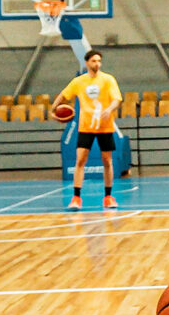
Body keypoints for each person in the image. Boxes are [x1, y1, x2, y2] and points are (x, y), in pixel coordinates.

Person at [51, 49, 122, 211]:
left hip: (105, 126)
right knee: (80, 161)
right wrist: (53, 109)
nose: (97, 63)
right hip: (86, 126)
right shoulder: (79, 81)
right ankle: (76, 198)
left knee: (107, 161)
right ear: (87, 63)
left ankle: (108, 197)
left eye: (99, 61)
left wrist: (109, 109)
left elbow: (117, 99)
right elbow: (63, 95)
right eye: (94, 61)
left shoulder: (108, 79)